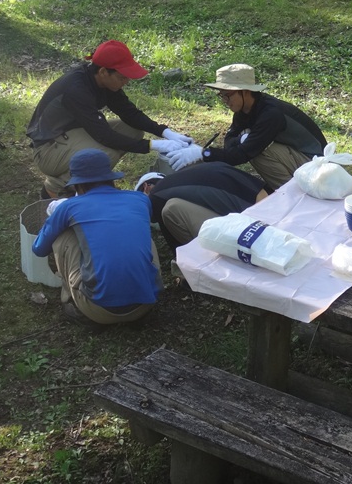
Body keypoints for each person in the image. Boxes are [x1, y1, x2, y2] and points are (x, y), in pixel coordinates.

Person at [26, 40, 193, 198]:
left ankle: (89, 179)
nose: (126, 82)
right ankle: (57, 187)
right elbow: (103, 135)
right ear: (103, 72)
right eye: (122, 77)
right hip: (48, 150)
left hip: (72, 134)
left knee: (132, 131)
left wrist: (165, 132)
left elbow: (129, 113)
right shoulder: (76, 89)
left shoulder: (102, 81)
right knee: (105, 154)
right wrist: (153, 145)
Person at [32, 149, 163, 326]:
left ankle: (73, 301)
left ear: (77, 185)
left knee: (63, 236)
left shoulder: (69, 207)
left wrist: (56, 218)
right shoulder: (140, 199)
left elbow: (39, 249)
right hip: (145, 304)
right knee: (142, 236)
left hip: (97, 309)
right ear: (111, 177)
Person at [166, 64, 327, 191]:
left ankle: (292, 193)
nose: (225, 101)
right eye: (221, 95)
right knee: (252, 144)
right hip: (297, 159)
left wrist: (204, 153)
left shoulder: (271, 114)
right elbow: (229, 143)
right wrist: (242, 138)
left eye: (227, 95)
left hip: (318, 165)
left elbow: (242, 155)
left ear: (245, 92)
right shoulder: (243, 111)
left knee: (260, 151)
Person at [136, 162, 270, 250]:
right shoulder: (189, 176)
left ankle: (208, 262)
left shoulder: (156, 195)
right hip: (269, 204)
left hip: (253, 231)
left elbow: (177, 247)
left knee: (171, 209)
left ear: (146, 187)